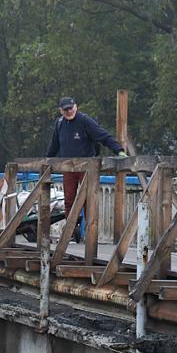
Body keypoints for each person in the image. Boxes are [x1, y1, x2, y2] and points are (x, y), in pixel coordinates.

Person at [44, 96, 126, 243]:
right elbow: (54, 146)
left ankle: (90, 233)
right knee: (69, 200)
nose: (69, 111)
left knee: (89, 200)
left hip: (87, 168)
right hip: (68, 168)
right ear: (60, 111)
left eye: (71, 108)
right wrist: (47, 163)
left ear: (76, 106)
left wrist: (118, 150)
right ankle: (71, 229)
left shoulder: (84, 120)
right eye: (65, 109)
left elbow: (103, 136)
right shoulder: (60, 123)